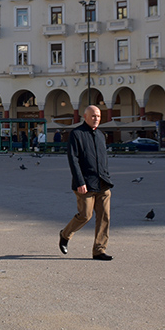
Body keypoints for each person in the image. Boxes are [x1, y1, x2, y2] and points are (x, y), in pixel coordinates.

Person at [59, 105, 113, 261]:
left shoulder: (101, 135)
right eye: (93, 116)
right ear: (85, 116)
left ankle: (99, 250)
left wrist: (107, 176)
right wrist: (79, 181)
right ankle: (65, 234)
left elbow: (104, 159)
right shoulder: (76, 134)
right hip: (85, 183)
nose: (96, 119)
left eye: (99, 116)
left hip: (103, 182)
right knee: (85, 215)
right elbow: (73, 160)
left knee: (104, 216)